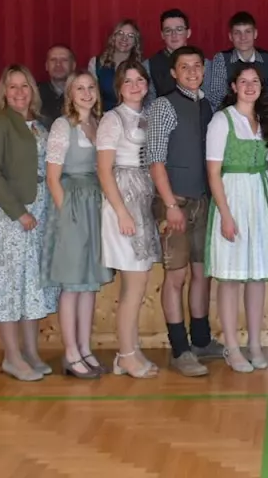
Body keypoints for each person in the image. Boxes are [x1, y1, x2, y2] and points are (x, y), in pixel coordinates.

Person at [0, 65, 59, 382]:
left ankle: (31, 351)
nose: (19, 92)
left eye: (25, 85)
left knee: (31, 286)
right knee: (8, 287)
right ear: (3, 92)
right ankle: (11, 356)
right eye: (12, 87)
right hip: (9, 216)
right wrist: (18, 211)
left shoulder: (39, 124)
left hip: (40, 211)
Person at [144, 45, 225, 376]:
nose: (192, 72)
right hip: (175, 202)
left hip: (203, 202)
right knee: (176, 277)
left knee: (202, 273)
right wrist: (171, 204)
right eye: (184, 67)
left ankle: (201, 339)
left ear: (203, 70)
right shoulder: (164, 106)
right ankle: (180, 348)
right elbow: (155, 159)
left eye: (197, 66)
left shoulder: (207, 105)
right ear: (173, 73)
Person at [204, 63, 268, 373]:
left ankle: (254, 343)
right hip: (233, 197)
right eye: (244, 81)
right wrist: (225, 214)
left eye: (255, 81)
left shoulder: (264, 121)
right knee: (230, 277)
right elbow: (213, 173)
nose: (250, 86)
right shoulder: (221, 121)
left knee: (256, 276)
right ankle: (232, 347)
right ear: (234, 86)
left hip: (259, 198)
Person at [44, 72, 114, 379]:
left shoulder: (98, 125)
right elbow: (52, 177)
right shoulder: (63, 126)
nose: (86, 93)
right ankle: (70, 351)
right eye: (79, 88)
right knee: (72, 284)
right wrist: (67, 216)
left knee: (88, 284)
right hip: (73, 204)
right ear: (70, 94)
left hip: (95, 205)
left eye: (90, 87)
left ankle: (85, 348)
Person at [97, 60, 162, 378]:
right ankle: (125, 354)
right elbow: (104, 170)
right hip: (122, 200)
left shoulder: (147, 116)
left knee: (138, 282)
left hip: (142, 197)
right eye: (128, 81)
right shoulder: (112, 119)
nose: (135, 85)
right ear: (119, 87)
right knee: (134, 283)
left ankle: (130, 351)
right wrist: (121, 211)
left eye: (140, 79)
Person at [204, 11, 268, 108]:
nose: (243, 37)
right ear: (230, 36)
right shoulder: (221, 59)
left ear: (255, 34)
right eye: (237, 33)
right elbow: (217, 96)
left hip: (263, 115)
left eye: (248, 32)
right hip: (231, 115)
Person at [87, 19, 142, 111]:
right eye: (120, 33)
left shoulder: (141, 66)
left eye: (130, 36)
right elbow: (90, 95)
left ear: (135, 42)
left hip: (132, 118)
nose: (124, 38)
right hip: (102, 117)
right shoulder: (96, 63)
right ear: (113, 37)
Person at [145, 9, 193, 100]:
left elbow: (209, 100)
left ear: (188, 33)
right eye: (168, 30)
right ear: (162, 35)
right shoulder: (149, 65)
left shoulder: (203, 63)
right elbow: (149, 103)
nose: (174, 35)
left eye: (179, 29)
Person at [38, 44, 76, 129]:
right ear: (46, 66)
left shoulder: (84, 94)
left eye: (64, 60)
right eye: (53, 60)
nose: (58, 64)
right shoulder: (34, 93)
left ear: (73, 65)